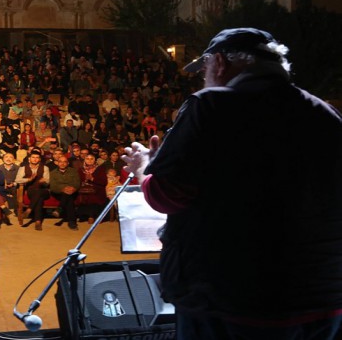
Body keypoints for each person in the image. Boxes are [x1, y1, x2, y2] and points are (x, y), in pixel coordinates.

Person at [122, 28, 342, 340]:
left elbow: (166, 195)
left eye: (204, 69)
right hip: (321, 302)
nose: (203, 79)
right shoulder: (326, 114)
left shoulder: (210, 105)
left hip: (230, 302)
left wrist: (145, 169)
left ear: (220, 63)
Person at [15, 150, 50, 231]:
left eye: (37, 157)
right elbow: (17, 180)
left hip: (44, 190)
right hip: (31, 191)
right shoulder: (23, 168)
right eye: (33, 157)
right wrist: (29, 179)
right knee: (39, 199)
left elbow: (47, 182)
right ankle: (38, 222)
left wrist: (43, 181)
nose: (35, 159)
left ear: (40, 159)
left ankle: (29, 210)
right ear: (29, 159)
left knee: (39, 193)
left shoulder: (45, 168)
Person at [49, 156, 81, 230]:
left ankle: (59, 209)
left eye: (64, 162)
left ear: (68, 163)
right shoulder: (53, 173)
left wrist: (73, 188)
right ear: (57, 163)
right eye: (60, 162)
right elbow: (53, 187)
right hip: (58, 193)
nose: (62, 164)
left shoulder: (73, 171)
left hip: (72, 192)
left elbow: (77, 183)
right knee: (68, 198)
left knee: (68, 197)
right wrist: (62, 189)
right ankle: (72, 222)